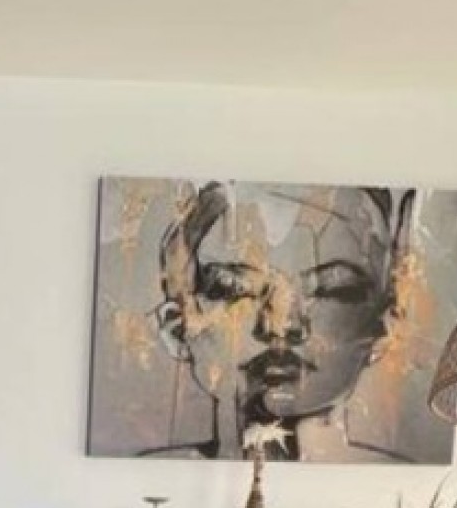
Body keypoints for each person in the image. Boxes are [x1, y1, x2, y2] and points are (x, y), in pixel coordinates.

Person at [151, 182, 418, 462]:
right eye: (234, 289)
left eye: (332, 291)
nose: (280, 327)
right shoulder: (153, 476)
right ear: (177, 326)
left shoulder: (400, 486)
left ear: (385, 327)